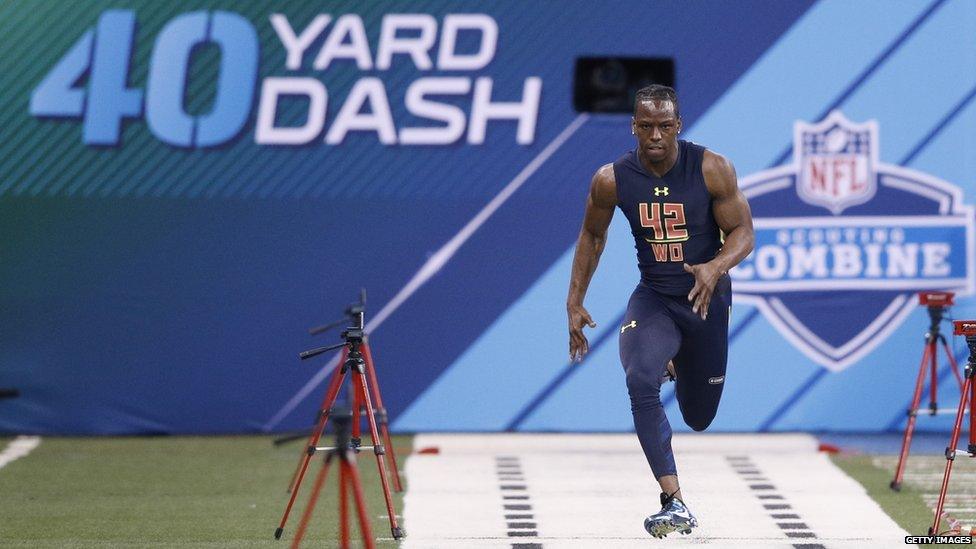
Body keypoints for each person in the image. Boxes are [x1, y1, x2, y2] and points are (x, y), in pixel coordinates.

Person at [565, 84, 754, 538]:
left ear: (678, 126)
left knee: (698, 417)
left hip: (705, 300)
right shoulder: (611, 179)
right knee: (638, 376)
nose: (654, 135)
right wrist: (574, 300)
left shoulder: (711, 168)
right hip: (654, 298)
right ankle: (674, 501)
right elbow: (593, 236)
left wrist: (716, 265)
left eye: (663, 126)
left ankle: (679, 358)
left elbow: (744, 231)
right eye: (645, 126)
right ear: (633, 126)